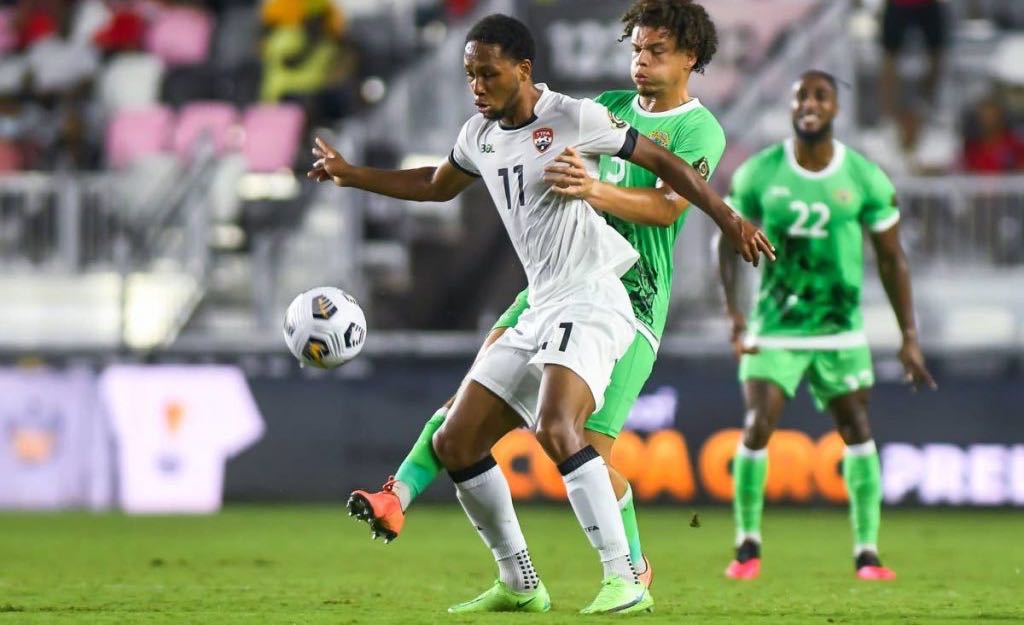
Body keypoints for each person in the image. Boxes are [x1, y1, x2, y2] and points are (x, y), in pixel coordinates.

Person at [309, 13, 772, 614]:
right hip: (546, 291)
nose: (476, 85)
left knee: (573, 438)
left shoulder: (647, 124)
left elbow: (664, 201)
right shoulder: (537, 120)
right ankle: (505, 571)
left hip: (624, 291)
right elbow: (436, 183)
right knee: (459, 430)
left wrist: (726, 217)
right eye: (636, 49)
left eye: (656, 50)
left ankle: (628, 572)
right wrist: (352, 176)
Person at [718, 70, 936, 582]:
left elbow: (892, 260)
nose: (810, 104)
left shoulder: (864, 177)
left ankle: (867, 554)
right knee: (757, 425)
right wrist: (735, 313)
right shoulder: (758, 174)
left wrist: (909, 336)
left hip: (840, 329)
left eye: (821, 96)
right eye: (801, 96)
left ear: (836, 109)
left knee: (857, 430)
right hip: (775, 327)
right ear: (791, 107)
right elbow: (726, 240)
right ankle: (747, 546)